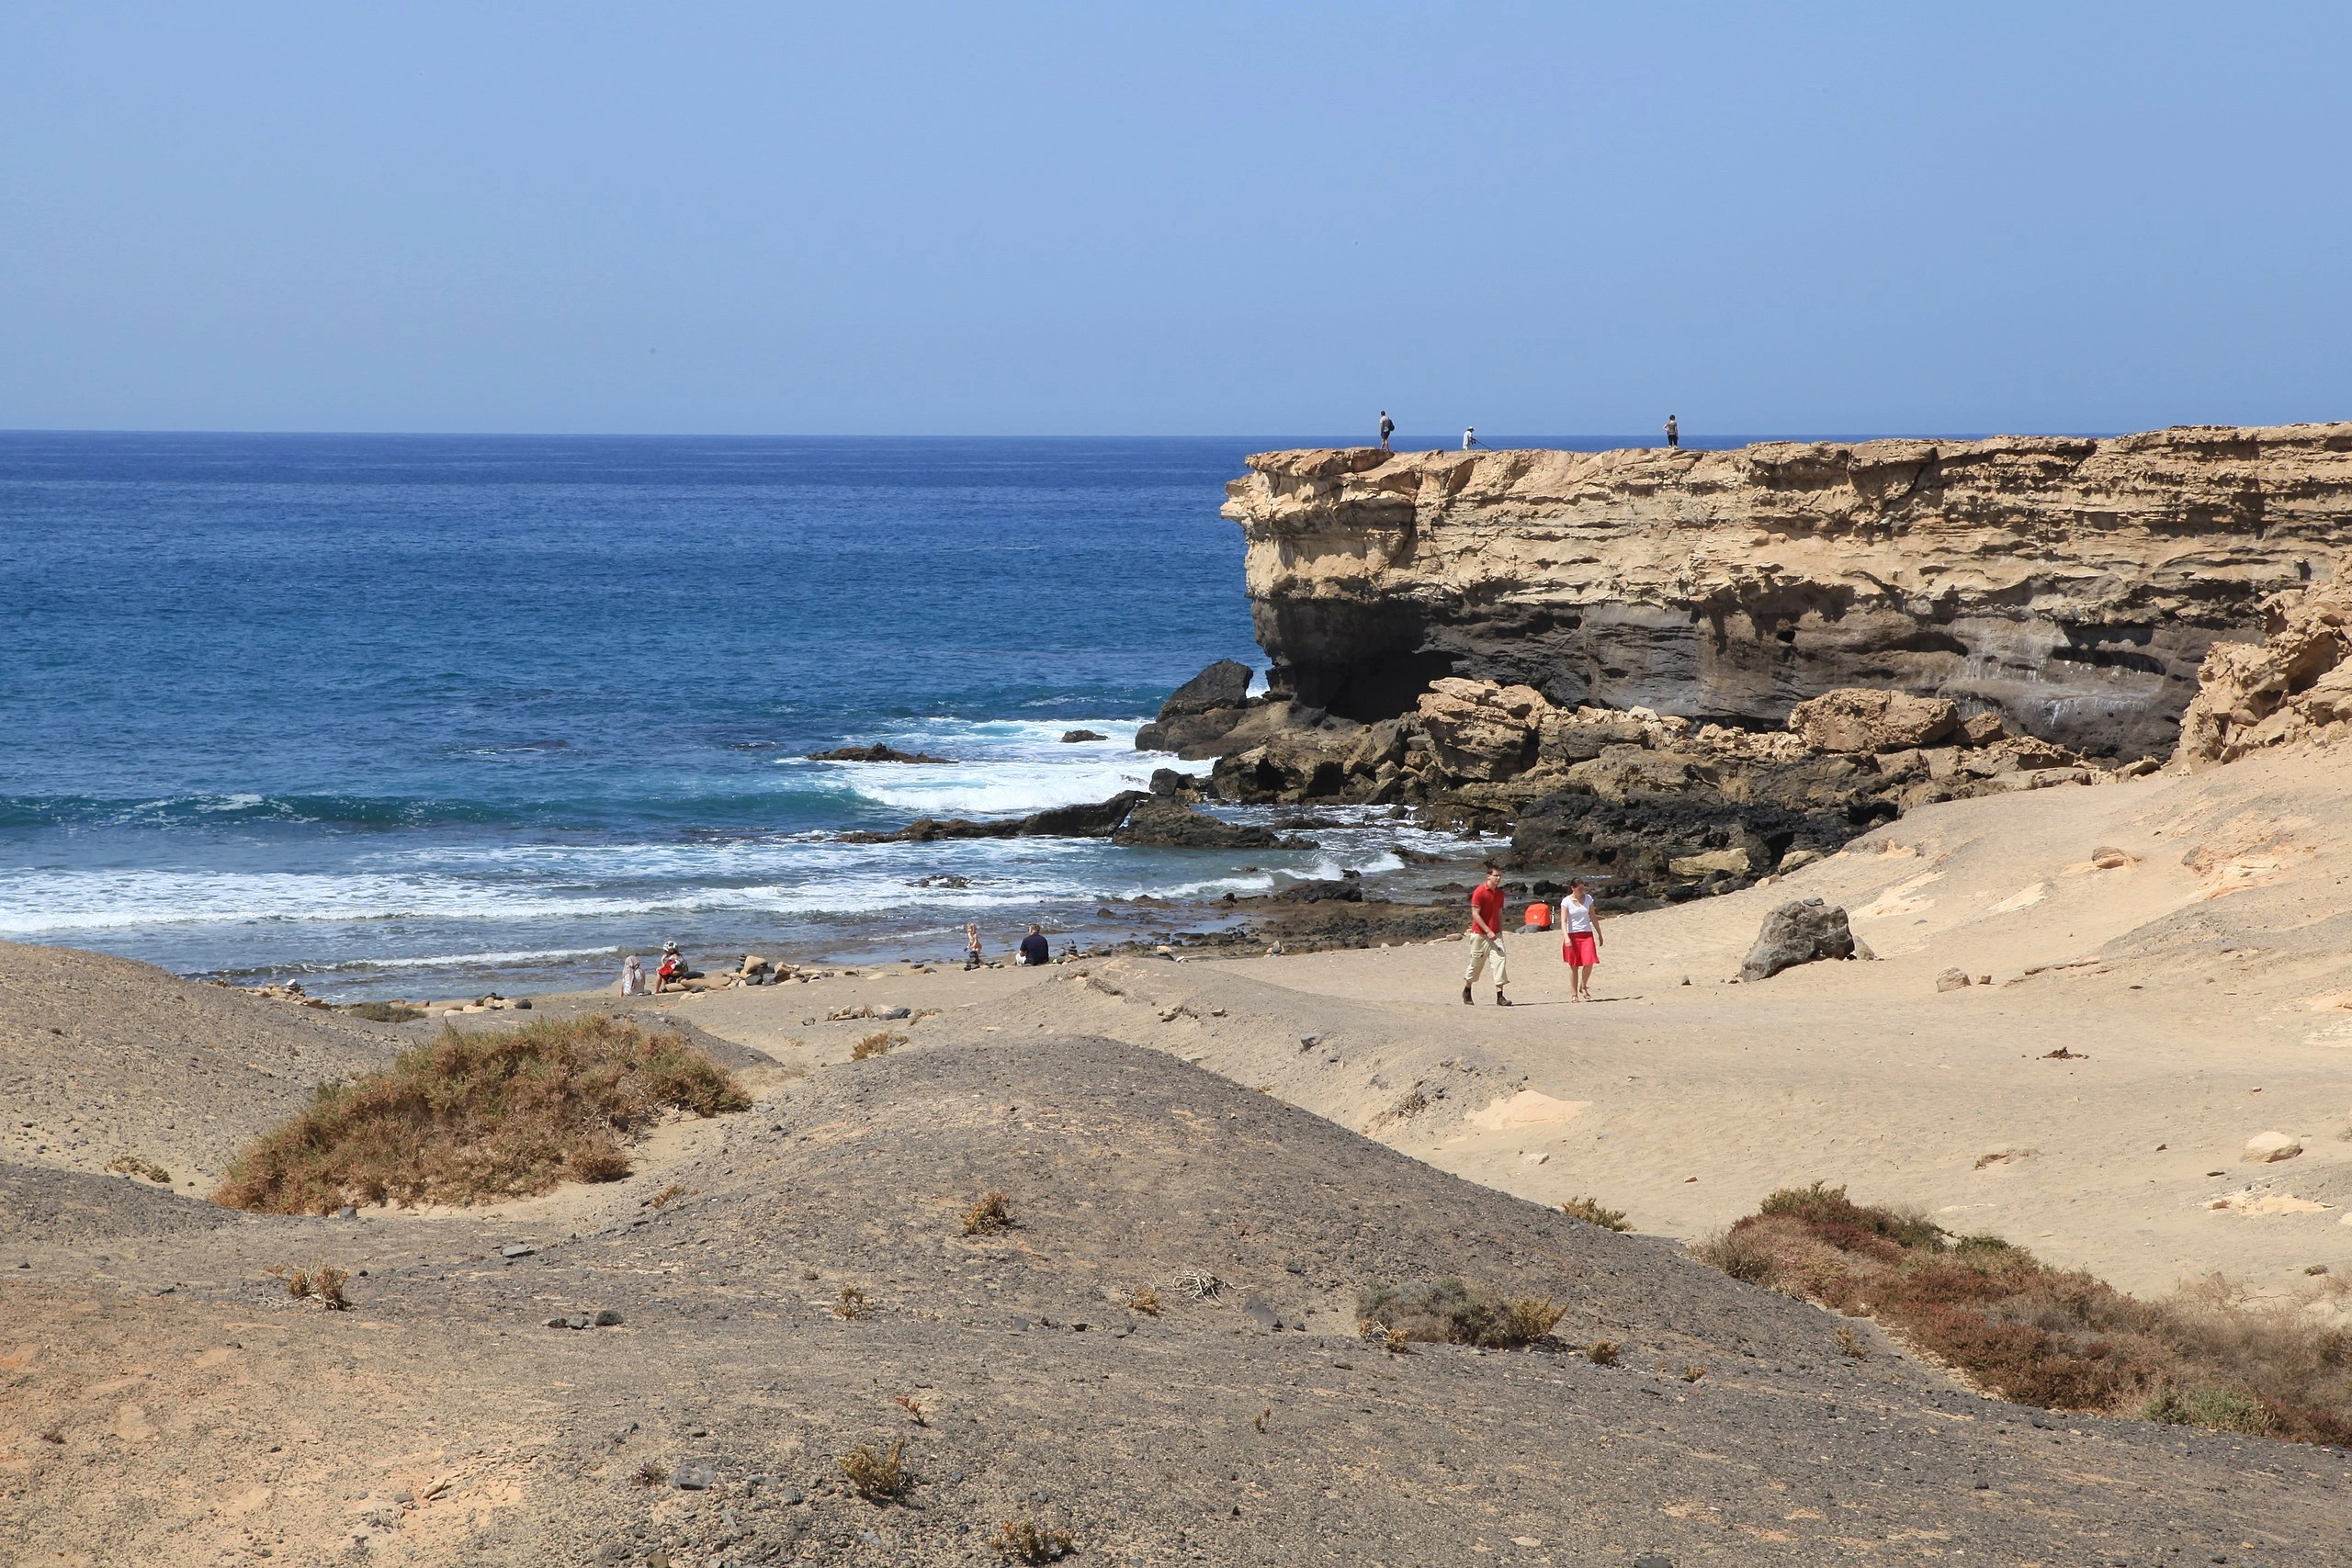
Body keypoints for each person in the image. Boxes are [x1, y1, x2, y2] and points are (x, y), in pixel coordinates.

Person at [1461, 863, 1510, 1006]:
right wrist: (1487, 931)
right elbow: (1475, 914)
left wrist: (1499, 930)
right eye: (1496, 876)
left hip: (1496, 935)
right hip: (1480, 935)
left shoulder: (1500, 893)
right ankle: (1467, 990)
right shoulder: (1479, 892)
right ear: (1488, 876)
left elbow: (1499, 912)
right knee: (1476, 964)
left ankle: (1500, 996)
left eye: (1500, 876)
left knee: (1500, 961)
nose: (1498, 878)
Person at [1560, 877, 1602, 1001]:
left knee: (1590, 962)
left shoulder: (1588, 899)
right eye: (1580, 889)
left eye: (1583, 888)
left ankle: (1583, 986)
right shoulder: (1566, 901)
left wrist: (1599, 933)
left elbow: (1593, 917)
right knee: (1574, 966)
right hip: (1573, 935)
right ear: (1573, 888)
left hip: (1587, 934)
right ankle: (1574, 994)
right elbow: (1563, 921)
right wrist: (1566, 937)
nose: (1582, 891)